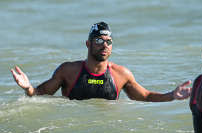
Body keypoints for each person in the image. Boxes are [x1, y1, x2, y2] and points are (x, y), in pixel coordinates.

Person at [10, 22, 191, 101]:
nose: (104, 45)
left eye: (108, 42)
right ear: (88, 44)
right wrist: (28, 88)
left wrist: (171, 95)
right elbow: (40, 94)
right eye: (98, 40)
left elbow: (146, 96)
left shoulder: (121, 74)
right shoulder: (68, 71)